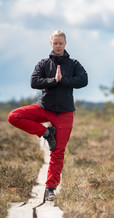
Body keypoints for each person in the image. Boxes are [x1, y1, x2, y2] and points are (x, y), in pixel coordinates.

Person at [8, 30, 88, 201]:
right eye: (55, 43)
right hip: (43, 108)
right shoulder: (43, 63)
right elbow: (34, 82)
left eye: (61, 43)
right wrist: (53, 80)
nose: (58, 46)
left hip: (65, 113)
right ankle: (46, 133)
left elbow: (83, 80)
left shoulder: (74, 64)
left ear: (65, 43)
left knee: (58, 152)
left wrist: (64, 79)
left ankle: (50, 188)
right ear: (51, 44)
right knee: (14, 116)